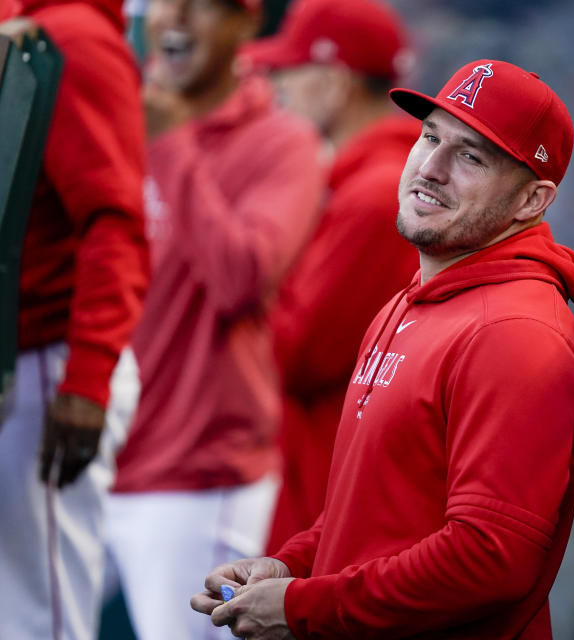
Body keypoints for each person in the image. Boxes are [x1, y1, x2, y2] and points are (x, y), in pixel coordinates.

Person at [190, 58, 574, 639]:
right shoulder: (414, 299)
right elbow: (372, 516)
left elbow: (489, 559)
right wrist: (291, 567)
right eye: (430, 136)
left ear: (532, 201)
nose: (430, 168)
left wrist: (305, 606)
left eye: (470, 156)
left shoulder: (515, 332)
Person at [102, 0, 322, 637]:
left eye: (204, 6)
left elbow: (242, 280)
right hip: (83, 453)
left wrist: (168, 141)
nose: (179, 19)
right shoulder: (110, 110)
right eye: (168, 1)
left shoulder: (282, 140)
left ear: (245, 24)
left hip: (195, 473)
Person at [241, 0, 421, 553]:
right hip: (325, 472)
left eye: (288, 71)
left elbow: (297, 354)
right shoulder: (354, 180)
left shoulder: (374, 193)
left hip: (336, 483)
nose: (277, 88)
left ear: (335, 81)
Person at [0, 0, 150, 638]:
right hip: (23, 357)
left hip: (48, 362)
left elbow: (113, 221)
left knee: (41, 615)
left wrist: (86, 378)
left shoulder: (72, 37)